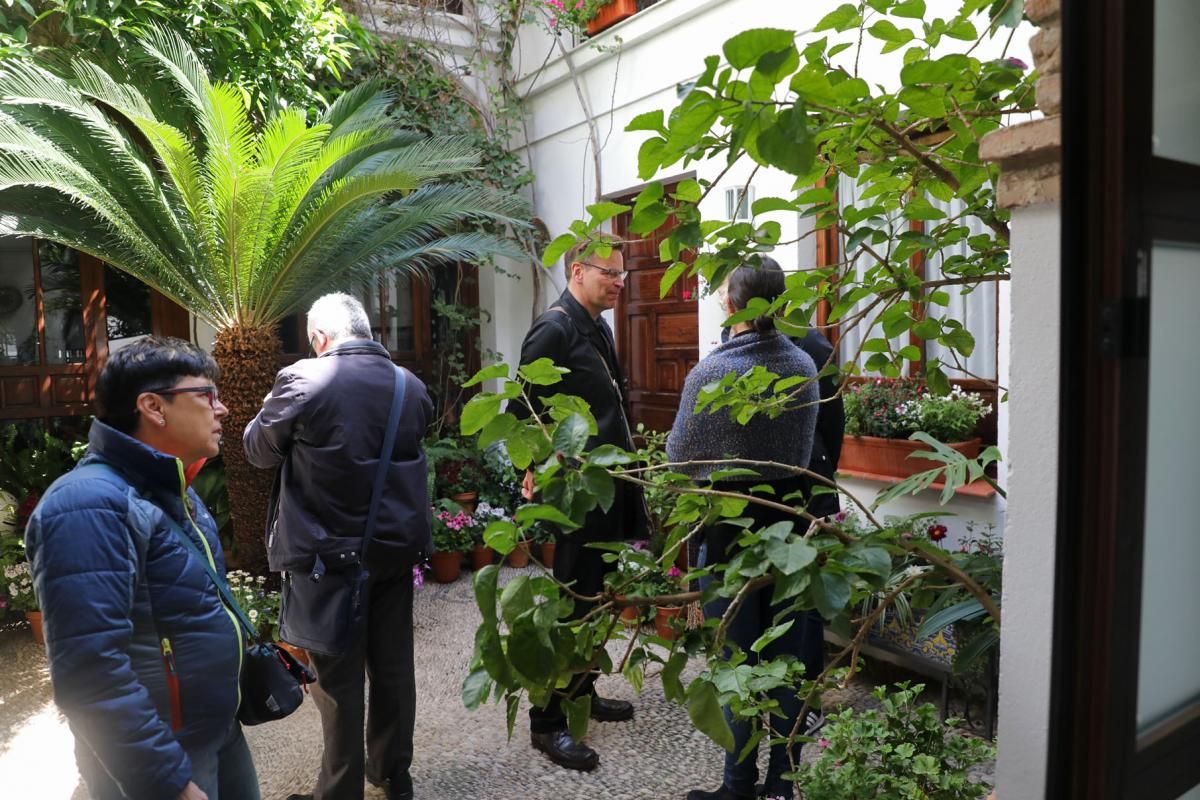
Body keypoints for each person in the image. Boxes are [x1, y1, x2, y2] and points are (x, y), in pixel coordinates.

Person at [25, 336, 257, 800]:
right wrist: (166, 781)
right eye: (207, 395)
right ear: (153, 406)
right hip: (166, 757)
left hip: (212, 735)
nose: (223, 408)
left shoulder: (168, 488)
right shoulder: (87, 506)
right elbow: (91, 674)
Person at [243, 293, 433, 800]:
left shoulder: (303, 380)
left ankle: (340, 791)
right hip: (392, 553)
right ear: (368, 332)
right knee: (394, 669)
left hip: (328, 561)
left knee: (337, 684)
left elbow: (257, 451)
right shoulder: (409, 386)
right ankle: (393, 774)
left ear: (319, 339)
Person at [667, 260, 820, 800]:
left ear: (732, 305)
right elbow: (800, 457)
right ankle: (782, 785)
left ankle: (737, 786)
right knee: (789, 663)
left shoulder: (710, 373)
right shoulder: (803, 364)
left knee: (738, 663)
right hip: (793, 537)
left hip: (729, 535)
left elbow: (679, 460)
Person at [510, 236, 642, 772]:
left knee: (597, 598)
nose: (619, 282)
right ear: (579, 270)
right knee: (572, 602)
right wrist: (536, 467)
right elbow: (525, 406)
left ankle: (581, 695)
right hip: (576, 491)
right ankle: (547, 723)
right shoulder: (554, 327)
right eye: (610, 273)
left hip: (608, 484)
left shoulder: (596, 325)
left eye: (622, 275)